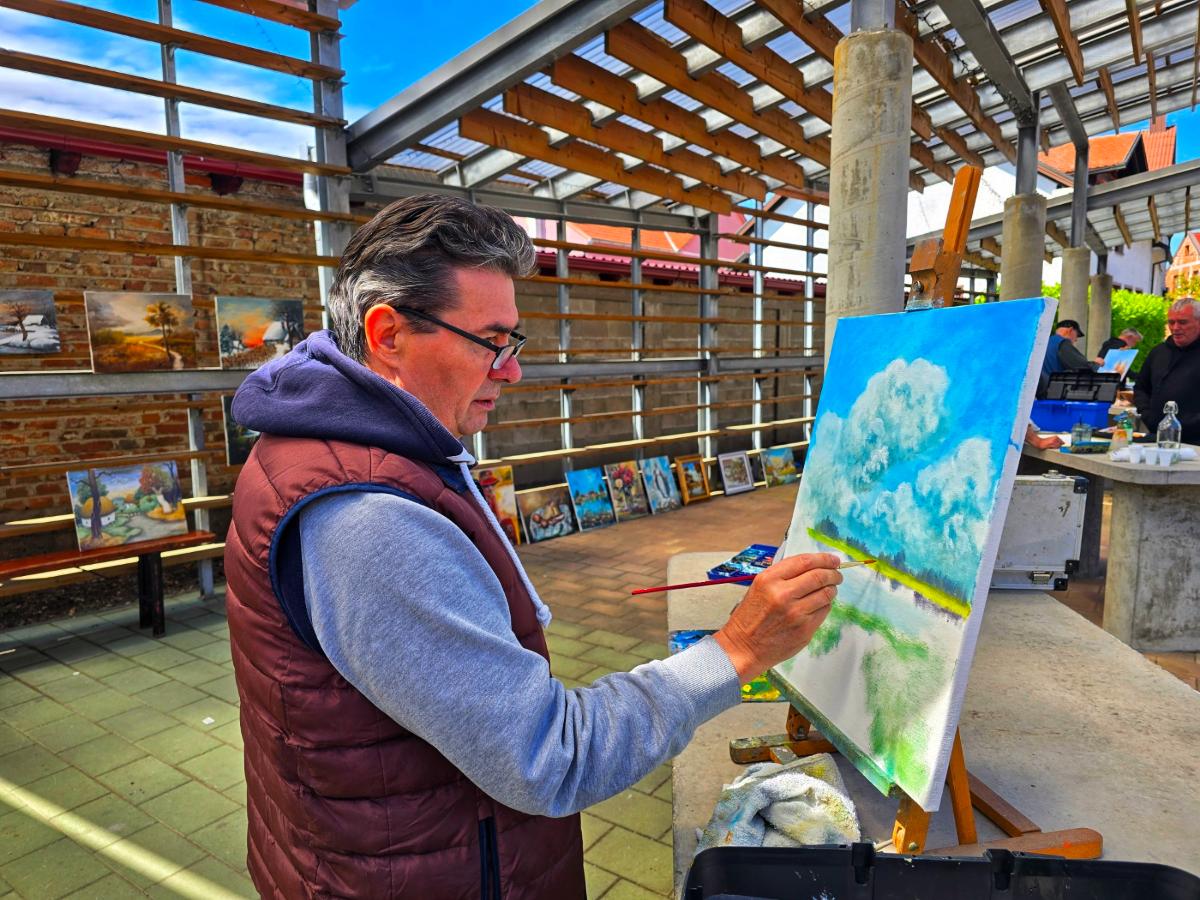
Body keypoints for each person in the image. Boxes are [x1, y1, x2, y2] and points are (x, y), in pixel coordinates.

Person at [224, 194, 843, 898]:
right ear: (388, 334)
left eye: (511, 343)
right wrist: (737, 650)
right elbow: (549, 757)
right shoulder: (369, 521)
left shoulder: (323, 445)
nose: (511, 370)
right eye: (491, 342)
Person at [1134, 296, 1200, 445]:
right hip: (1157, 438)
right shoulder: (1158, 352)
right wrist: (1147, 414)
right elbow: (1141, 387)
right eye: (1171, 322)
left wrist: (1189, 424)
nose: (1175, 328)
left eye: (1183, 322)